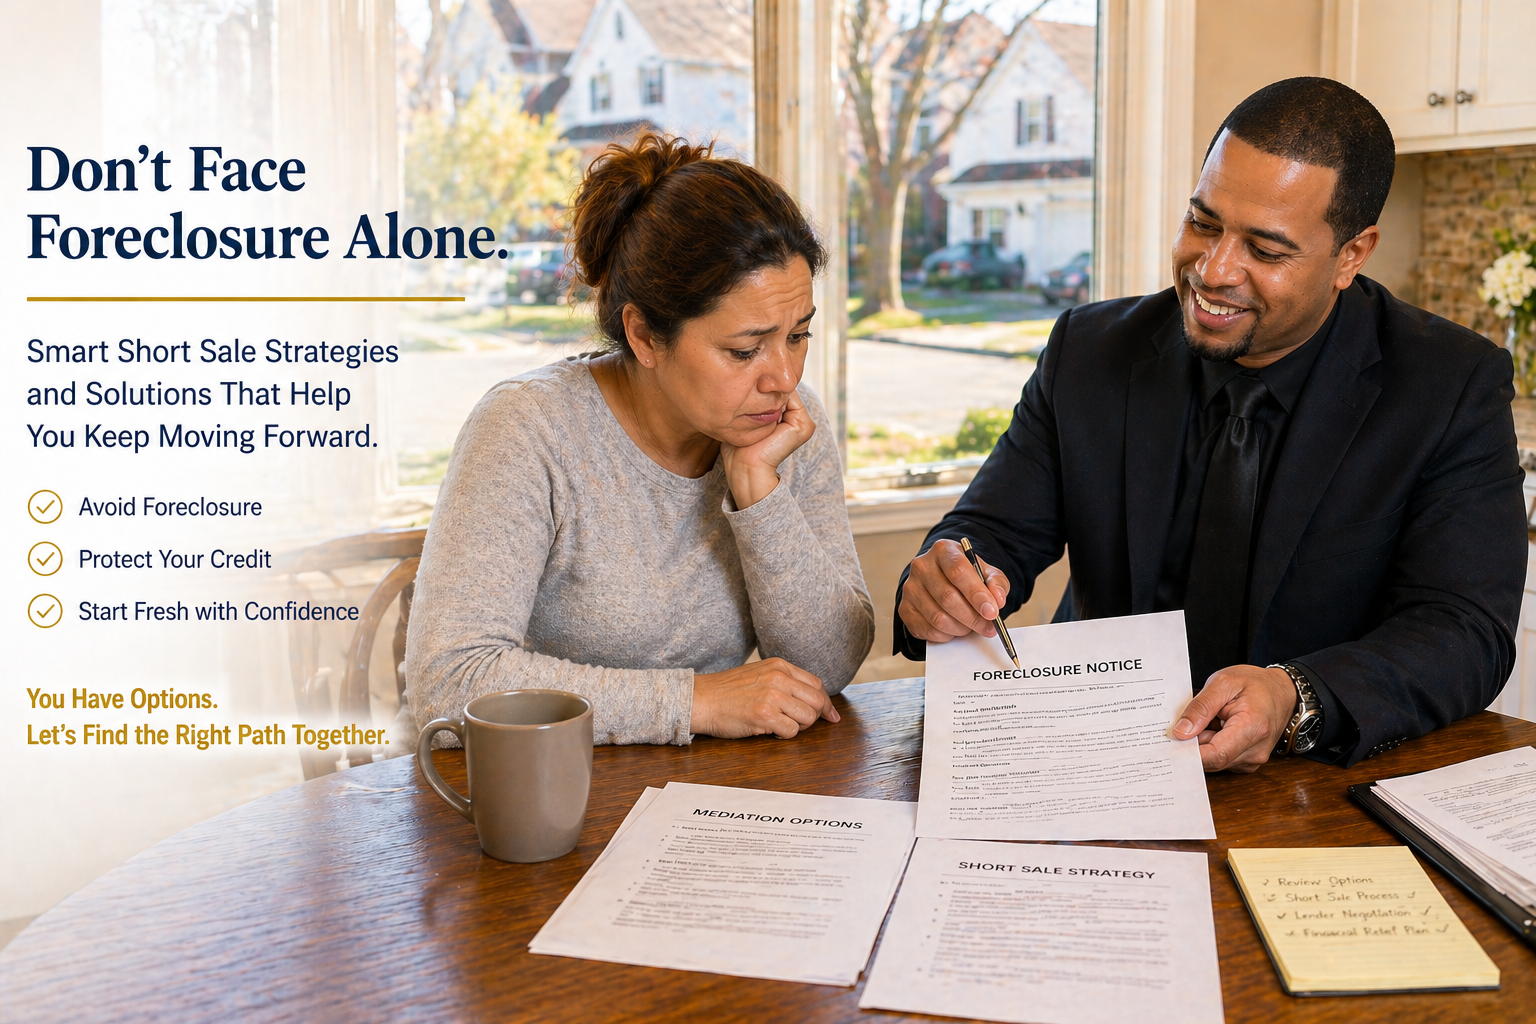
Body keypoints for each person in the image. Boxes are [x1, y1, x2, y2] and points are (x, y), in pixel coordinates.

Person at [895, 77, 1526, 772]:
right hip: (1094, 759)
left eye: (1266, 249)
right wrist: (947, 575)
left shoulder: (1450, 385)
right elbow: (993, 533)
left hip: (1309, 786)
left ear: (1351, 254)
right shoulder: (1090, 351)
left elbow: (1464, 631)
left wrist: (1297, 696)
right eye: (1203, 222)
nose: (1214, 269)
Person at [407, 133, 873, 746]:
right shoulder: (529, 429)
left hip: (702, 800)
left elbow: (827, 668)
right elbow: (450, 680)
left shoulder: (786, 425)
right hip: (526, 798)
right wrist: (694, 702)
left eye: (798, 335)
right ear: (647, 337)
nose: (784, 378)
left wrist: (761, 495)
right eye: (744, 349)